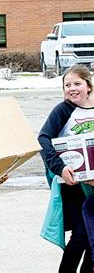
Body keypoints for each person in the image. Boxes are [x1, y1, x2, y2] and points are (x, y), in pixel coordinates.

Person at [39, 65, 94, 272]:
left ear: (88, 86)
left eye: (77, 83)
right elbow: (43, 139)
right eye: (67, 85)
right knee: (80, 234)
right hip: (74, 184)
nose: (71, 88)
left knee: (93, 236)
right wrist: (60, 168)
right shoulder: (64, 110)